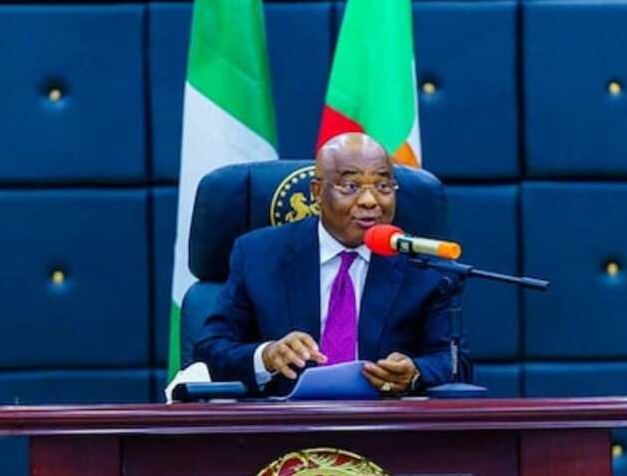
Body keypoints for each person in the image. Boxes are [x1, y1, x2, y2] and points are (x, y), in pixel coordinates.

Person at [193, 132, 467, 396]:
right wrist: (265, 356)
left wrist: (416, 372)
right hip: (284, 426)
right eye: (351, 186)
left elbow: (456, 363)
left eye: (383, 186)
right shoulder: (257, 255)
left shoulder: (425, 267)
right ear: (317, 192)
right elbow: (209, 351)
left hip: (385, 426)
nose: (370, 201)